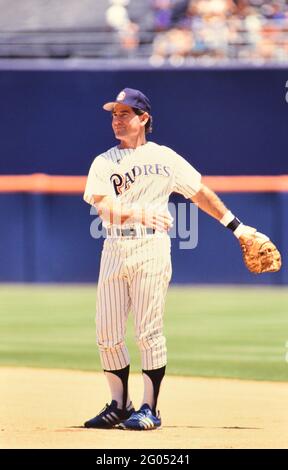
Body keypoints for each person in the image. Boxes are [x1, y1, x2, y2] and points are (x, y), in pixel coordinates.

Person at [82, 87, 263, 431]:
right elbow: (103, 206)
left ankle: (150, 408)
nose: (116, 120)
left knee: (149, 332)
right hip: (114, 249)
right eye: (114, 114)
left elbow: (200, 193)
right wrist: (138, 212)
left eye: (124, 113)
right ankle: (119, 405)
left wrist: (238, 228)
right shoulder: (104, 161)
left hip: (152, 248)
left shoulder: (165, 158)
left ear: (143, 118)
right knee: (106, 332)